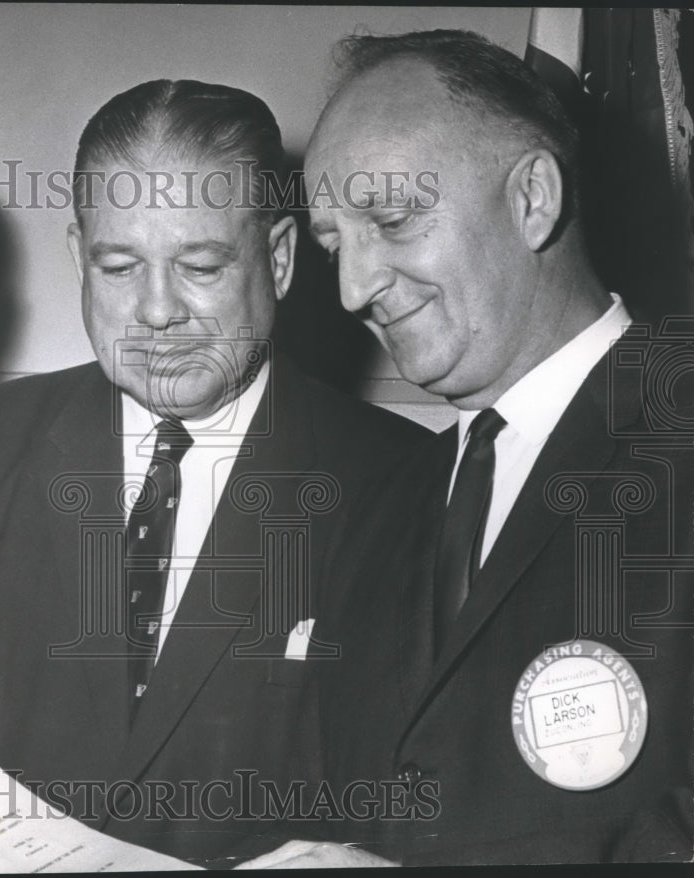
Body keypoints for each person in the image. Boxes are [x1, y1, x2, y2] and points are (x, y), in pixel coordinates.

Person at [0, 79, 428, 870]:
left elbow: (421, 802)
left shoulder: (407, 485)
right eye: (121, 265)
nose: (157, 311)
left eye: (199, 265)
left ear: (279, 258)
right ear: (78, 259)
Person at [246, 29, 692, 867]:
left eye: (392, 219)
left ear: (533, 200)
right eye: (336, 244)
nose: (352, 289)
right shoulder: (378, 506)